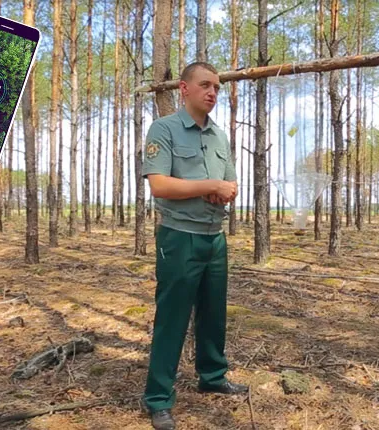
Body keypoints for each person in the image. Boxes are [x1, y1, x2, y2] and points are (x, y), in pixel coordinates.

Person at [141, 61, 248, 430]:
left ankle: (213, 376)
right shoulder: (164, 128)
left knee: (213, 313)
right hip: (179, 236)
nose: (213, 93)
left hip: (214, 237)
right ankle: (158, 399)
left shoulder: (220, 136)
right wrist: (210, 187)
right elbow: (160, 185)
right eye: (205, 85)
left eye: (217, 88)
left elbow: (230, 184)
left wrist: (225, 193)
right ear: (184, 89)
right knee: (172, 317)